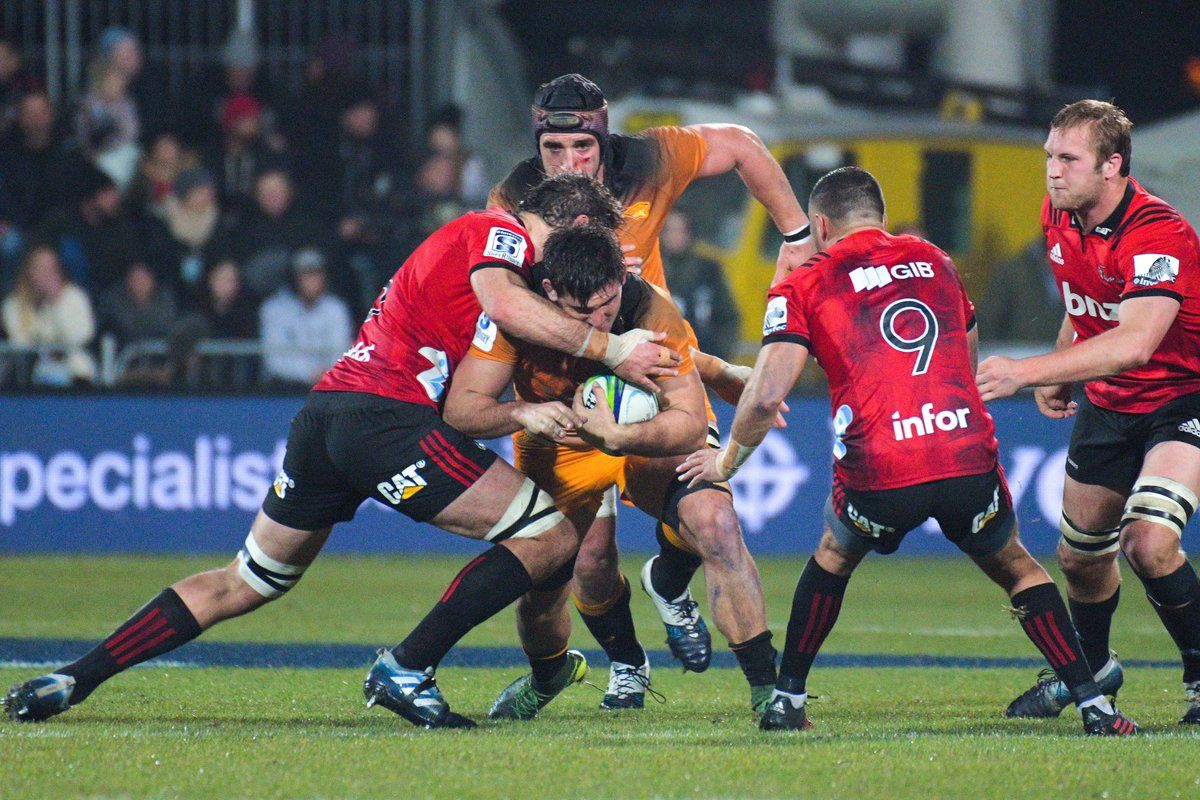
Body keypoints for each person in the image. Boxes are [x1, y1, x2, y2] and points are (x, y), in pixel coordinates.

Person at [3, 174, 678, 730]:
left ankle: (74, 678)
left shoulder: (503, 269)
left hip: (329, 413)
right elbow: (500, 303)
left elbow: (466, 403)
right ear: (568, 223)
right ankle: (407, 667)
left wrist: (524, 410)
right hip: (385, 416)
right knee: (549, 536)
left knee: (246, 580)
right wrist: (610, 348)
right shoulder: (497, 232)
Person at [680, 166, 1139, 736]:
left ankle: (787, 700)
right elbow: (966, 353)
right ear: (878, 215)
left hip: (882, 464)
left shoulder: (806, 281)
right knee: (1017, 566)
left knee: (833, 556)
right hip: (962, 449)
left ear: (821, 225)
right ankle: (1095, 706)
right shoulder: (936, 260)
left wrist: (726, 461)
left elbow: (766, 395)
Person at [489, 73, 808, 685]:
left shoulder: (650, 159)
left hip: (654, 375)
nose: (568, 163)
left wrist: (796, 235)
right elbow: (500, 300)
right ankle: (624, 666)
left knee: (713, 521)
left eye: (581, 147)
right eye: (553, 148)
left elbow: (741, 144)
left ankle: (767, 690)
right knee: (584, 565)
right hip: (561, 399)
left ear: (604, 136)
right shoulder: (511, 201)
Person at [445, 224, 775, 716]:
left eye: (608, 305)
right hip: (559, 439)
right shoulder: (517, 313)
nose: (601, 321)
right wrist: (521, 412)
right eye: (583, 313)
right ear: (549, 291)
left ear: (621, 278)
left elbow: (688, 423)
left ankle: (771, 692)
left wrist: (620, 435)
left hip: (644, 430)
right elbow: (461, 410)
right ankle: (591, 669)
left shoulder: (647, 305)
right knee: (565, 579)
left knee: (716, 521)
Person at [976, 100, 1200, 725]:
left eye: (1069, 158)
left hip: (1182, 396)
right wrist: (1062, 363)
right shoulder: (1059, 213)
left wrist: (1028, 372)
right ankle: (1094, 673)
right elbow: (1087, 300)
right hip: (1109, 402)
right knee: (1079, 558)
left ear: (1112, 165)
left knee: (1149, 541)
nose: (1053, 170)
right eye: (1050, 155)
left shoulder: (1159, 232)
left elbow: (1136, 342)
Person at [258, 248, 353, 391]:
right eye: (306, 274)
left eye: (316, 274)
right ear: (294, 278)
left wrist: (326, 374)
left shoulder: (336, 308)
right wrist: (309, 374)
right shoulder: (274, 308)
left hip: (329, 386)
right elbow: (274, 360)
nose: (312, 281)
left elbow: (341, 350)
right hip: (284, 388)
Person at [1, 245, 96, 386]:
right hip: (29, 376)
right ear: (28, 271)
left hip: (74, 373)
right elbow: (20, 345)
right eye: (41, 268)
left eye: (51, 268)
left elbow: (81, 337)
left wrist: (55, 304)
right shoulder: (13, 304)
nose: (47, 274)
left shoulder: (75, 297)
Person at [661, 209, 741, 361]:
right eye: (670, 231)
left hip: (705, 355)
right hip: (667, 359)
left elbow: (728, 316)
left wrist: (721, 352)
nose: (675, 236)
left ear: (689, 234)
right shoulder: (652, 270)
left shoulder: (708, 270)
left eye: (680, 231)